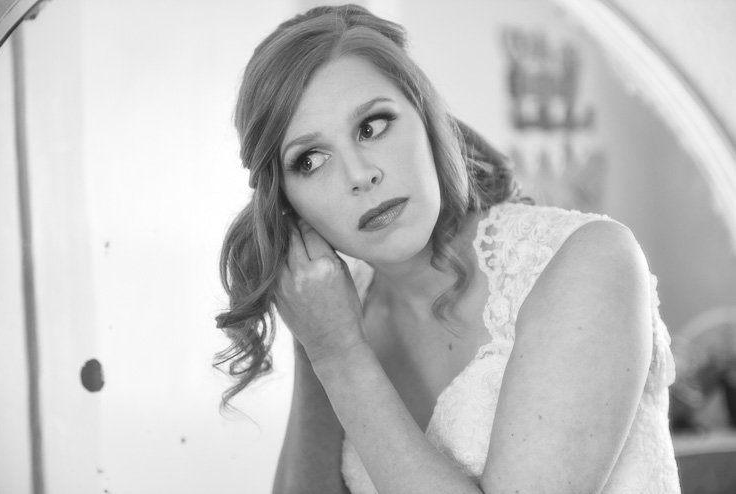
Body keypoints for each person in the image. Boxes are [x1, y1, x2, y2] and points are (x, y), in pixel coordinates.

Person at [215, 4, 681, 493]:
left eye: (372, 126)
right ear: (287, 203)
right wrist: (315, 335)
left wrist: (340, 355)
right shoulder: (337, 313)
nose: (360, 175)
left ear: (427, 116)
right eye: (310, 160)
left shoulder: (588, 261)